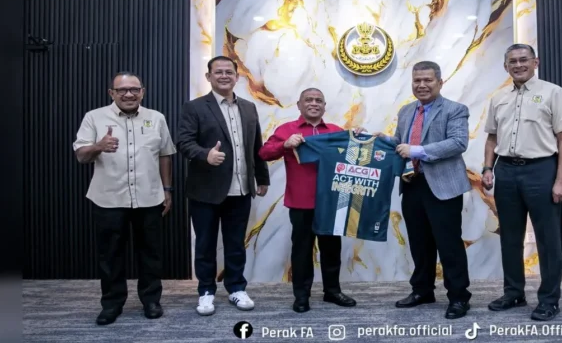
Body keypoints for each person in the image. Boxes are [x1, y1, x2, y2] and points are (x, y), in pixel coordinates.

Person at [73, 72, 176, 325]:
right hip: (108, 199)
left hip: (149, 198)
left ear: (143, 92)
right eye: (122, 90)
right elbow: (81, 155)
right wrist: (98, 146)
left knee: (150, 253)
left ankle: (151, 300)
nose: (128, 94)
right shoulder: (94, 117)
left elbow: (165, 154)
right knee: (110, 255)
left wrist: (167, 189)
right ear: (112, 93)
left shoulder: (156, 118)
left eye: (134, 89)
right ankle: (112, 304)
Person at [482, 43, 562, 321]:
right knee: (510, 237)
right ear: (505, 66)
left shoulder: (553, 92)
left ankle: (549, 300)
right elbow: (492, 137)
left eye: (524, 60)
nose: (518, 65)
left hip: (541, 170)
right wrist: (487, 168)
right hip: (506, 171)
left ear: (536, 62)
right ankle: (514, 293)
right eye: (512, 61)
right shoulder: (498, 98)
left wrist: (561, 180)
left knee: (548, 240)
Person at [377, 61, 472, 319]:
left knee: (449, 244)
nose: (422, 85)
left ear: (440, 82)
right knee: (419, 243)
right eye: (417, 80)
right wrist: (381, 140)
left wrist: (417, 150)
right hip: (412, 183)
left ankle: (459, 297)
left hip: (443, 187)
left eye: (428, 80)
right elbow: (401, 143)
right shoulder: (406, 110)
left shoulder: (455, 109)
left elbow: (458, 142)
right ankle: (422, 290)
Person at [177, 56, 270, 316]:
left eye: (229, 72)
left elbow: (257, 146)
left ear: (237, 77)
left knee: (235, 243)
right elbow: (183, 142)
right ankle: (206, 291)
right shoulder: (194, 107)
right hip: (205, 190)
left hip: (241, 189)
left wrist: (262, 178)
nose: (224, 76)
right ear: (208, 77)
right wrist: (205, 154)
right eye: (218, 72)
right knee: (205, 244)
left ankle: (236, 288)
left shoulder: (249, 108)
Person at [258, 88, 357, 313]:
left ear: (324, 106)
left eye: (318, 100)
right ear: (299, 105)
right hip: (300, 203)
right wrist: (284, 144)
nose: (314, 103)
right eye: (309, 100)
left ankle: (332, 291)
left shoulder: (336, 131)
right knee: (302, 251)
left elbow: (354, 157)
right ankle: (301, 296)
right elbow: (264, 153)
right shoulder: (287, 130)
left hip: (331, 203)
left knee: (331, 249)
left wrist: (358, 138)